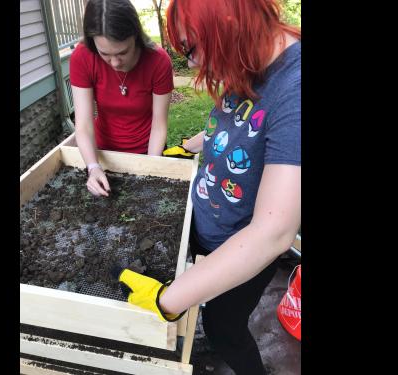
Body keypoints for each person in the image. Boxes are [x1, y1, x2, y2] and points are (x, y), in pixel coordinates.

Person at [118, 0, 301, 374]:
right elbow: (241, 124)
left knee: (224, 328)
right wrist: (187, 148)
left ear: (229, 24)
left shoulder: (295, 89)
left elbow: (273, 233)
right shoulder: (251, 56)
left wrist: (167, 301)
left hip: (241, 243)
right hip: (209, 216)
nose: (191, 63)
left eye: (190, 48)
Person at [70, 0, 174, 197]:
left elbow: (159, 124)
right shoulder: (81, 58)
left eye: (123, 52)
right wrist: (93, 167)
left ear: (135, 35)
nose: (115, 62)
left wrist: (149, 169)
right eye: (105, 54)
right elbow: (83, 124)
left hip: (148, 150)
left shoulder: (158, 61)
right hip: (102, 153)